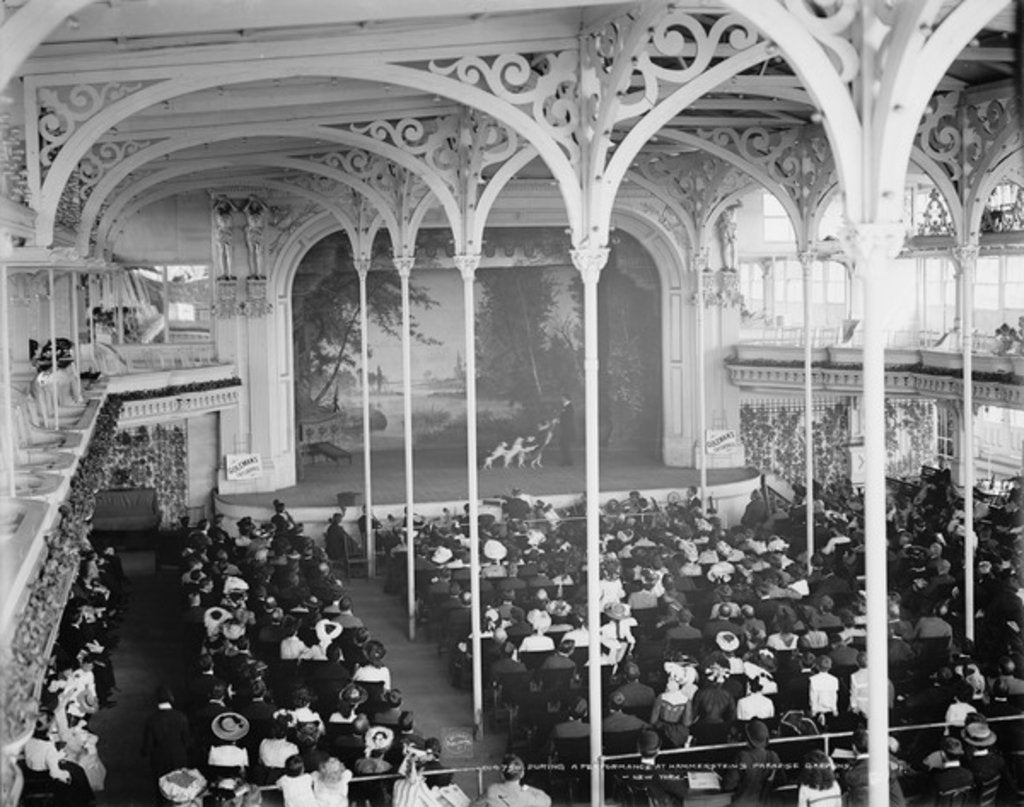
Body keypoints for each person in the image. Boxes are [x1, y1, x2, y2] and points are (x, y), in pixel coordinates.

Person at [720, 719, 780, 806]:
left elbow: (728, 785)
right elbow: (781, 781)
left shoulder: (742, 757)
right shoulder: (773, 757)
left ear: (748, 739)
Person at [141, 685, 191, 787]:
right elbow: (187, 740)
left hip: (160, 759)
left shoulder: (152, 719)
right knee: (179, 788)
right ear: (172, 698)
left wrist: (144, 752)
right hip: (178, 757)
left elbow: (148, 744)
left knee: (162, 787)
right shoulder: (181, 717)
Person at [472, 754, 551, 806]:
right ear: (522, 774)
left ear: (502, 775)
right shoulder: (528, 796)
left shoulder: (492, 790)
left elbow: (473, 805)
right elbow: (547, 801)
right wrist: (526, 787)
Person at [557, 396, 575, 466]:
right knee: (564, 445)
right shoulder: (565, 406)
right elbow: (564, 417)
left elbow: (567, 419)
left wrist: (559, 421)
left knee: (565, 446)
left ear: (566, 398)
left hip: (567, 430)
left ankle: (566, 462)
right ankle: (568, 461)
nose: (561, 399)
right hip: (565, 430)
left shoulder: (569, 407)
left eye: (562, 398)